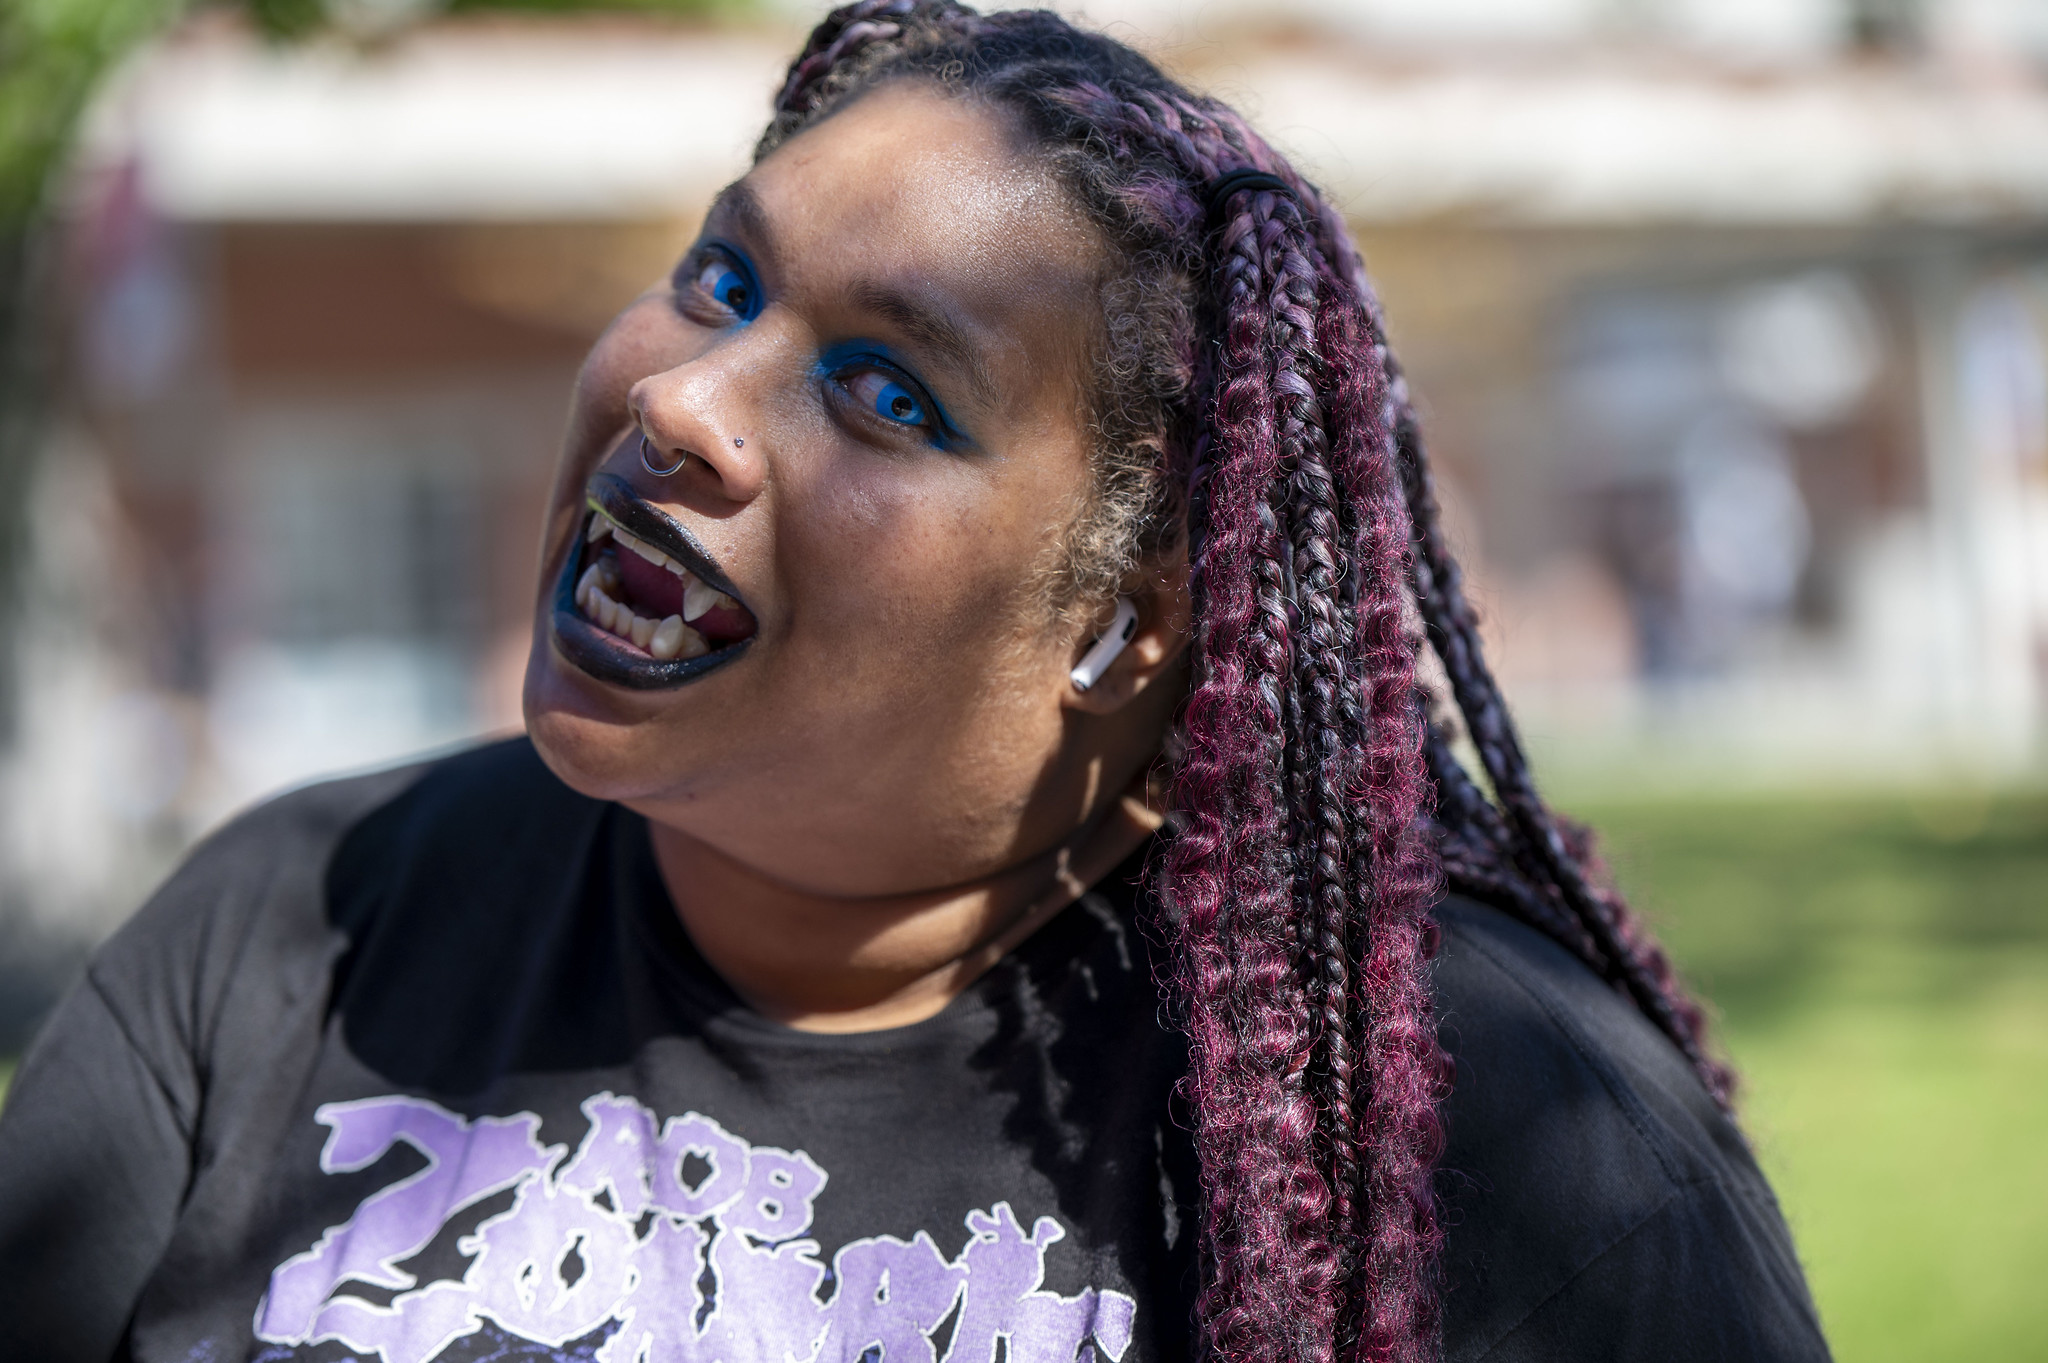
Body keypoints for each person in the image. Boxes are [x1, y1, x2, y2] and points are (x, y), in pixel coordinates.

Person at [0, 5, 1831, 1360]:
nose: (684, 400)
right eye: (724, 281)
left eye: (889, 396)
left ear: (1123, 626)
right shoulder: (293, 930)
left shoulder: (1487, 1137)